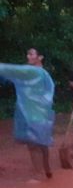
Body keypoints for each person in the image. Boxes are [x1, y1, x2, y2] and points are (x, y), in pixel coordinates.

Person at [0, 48, 55, 180]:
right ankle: (47, 170)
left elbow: (9, 70)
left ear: (40, 57)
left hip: (32, 112)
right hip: (42, 112)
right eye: (27, 54)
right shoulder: (44, 74)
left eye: (31, 54)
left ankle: (38, 175)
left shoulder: (33, 71)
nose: (28, 56)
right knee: (42, 142)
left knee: (33, 144)